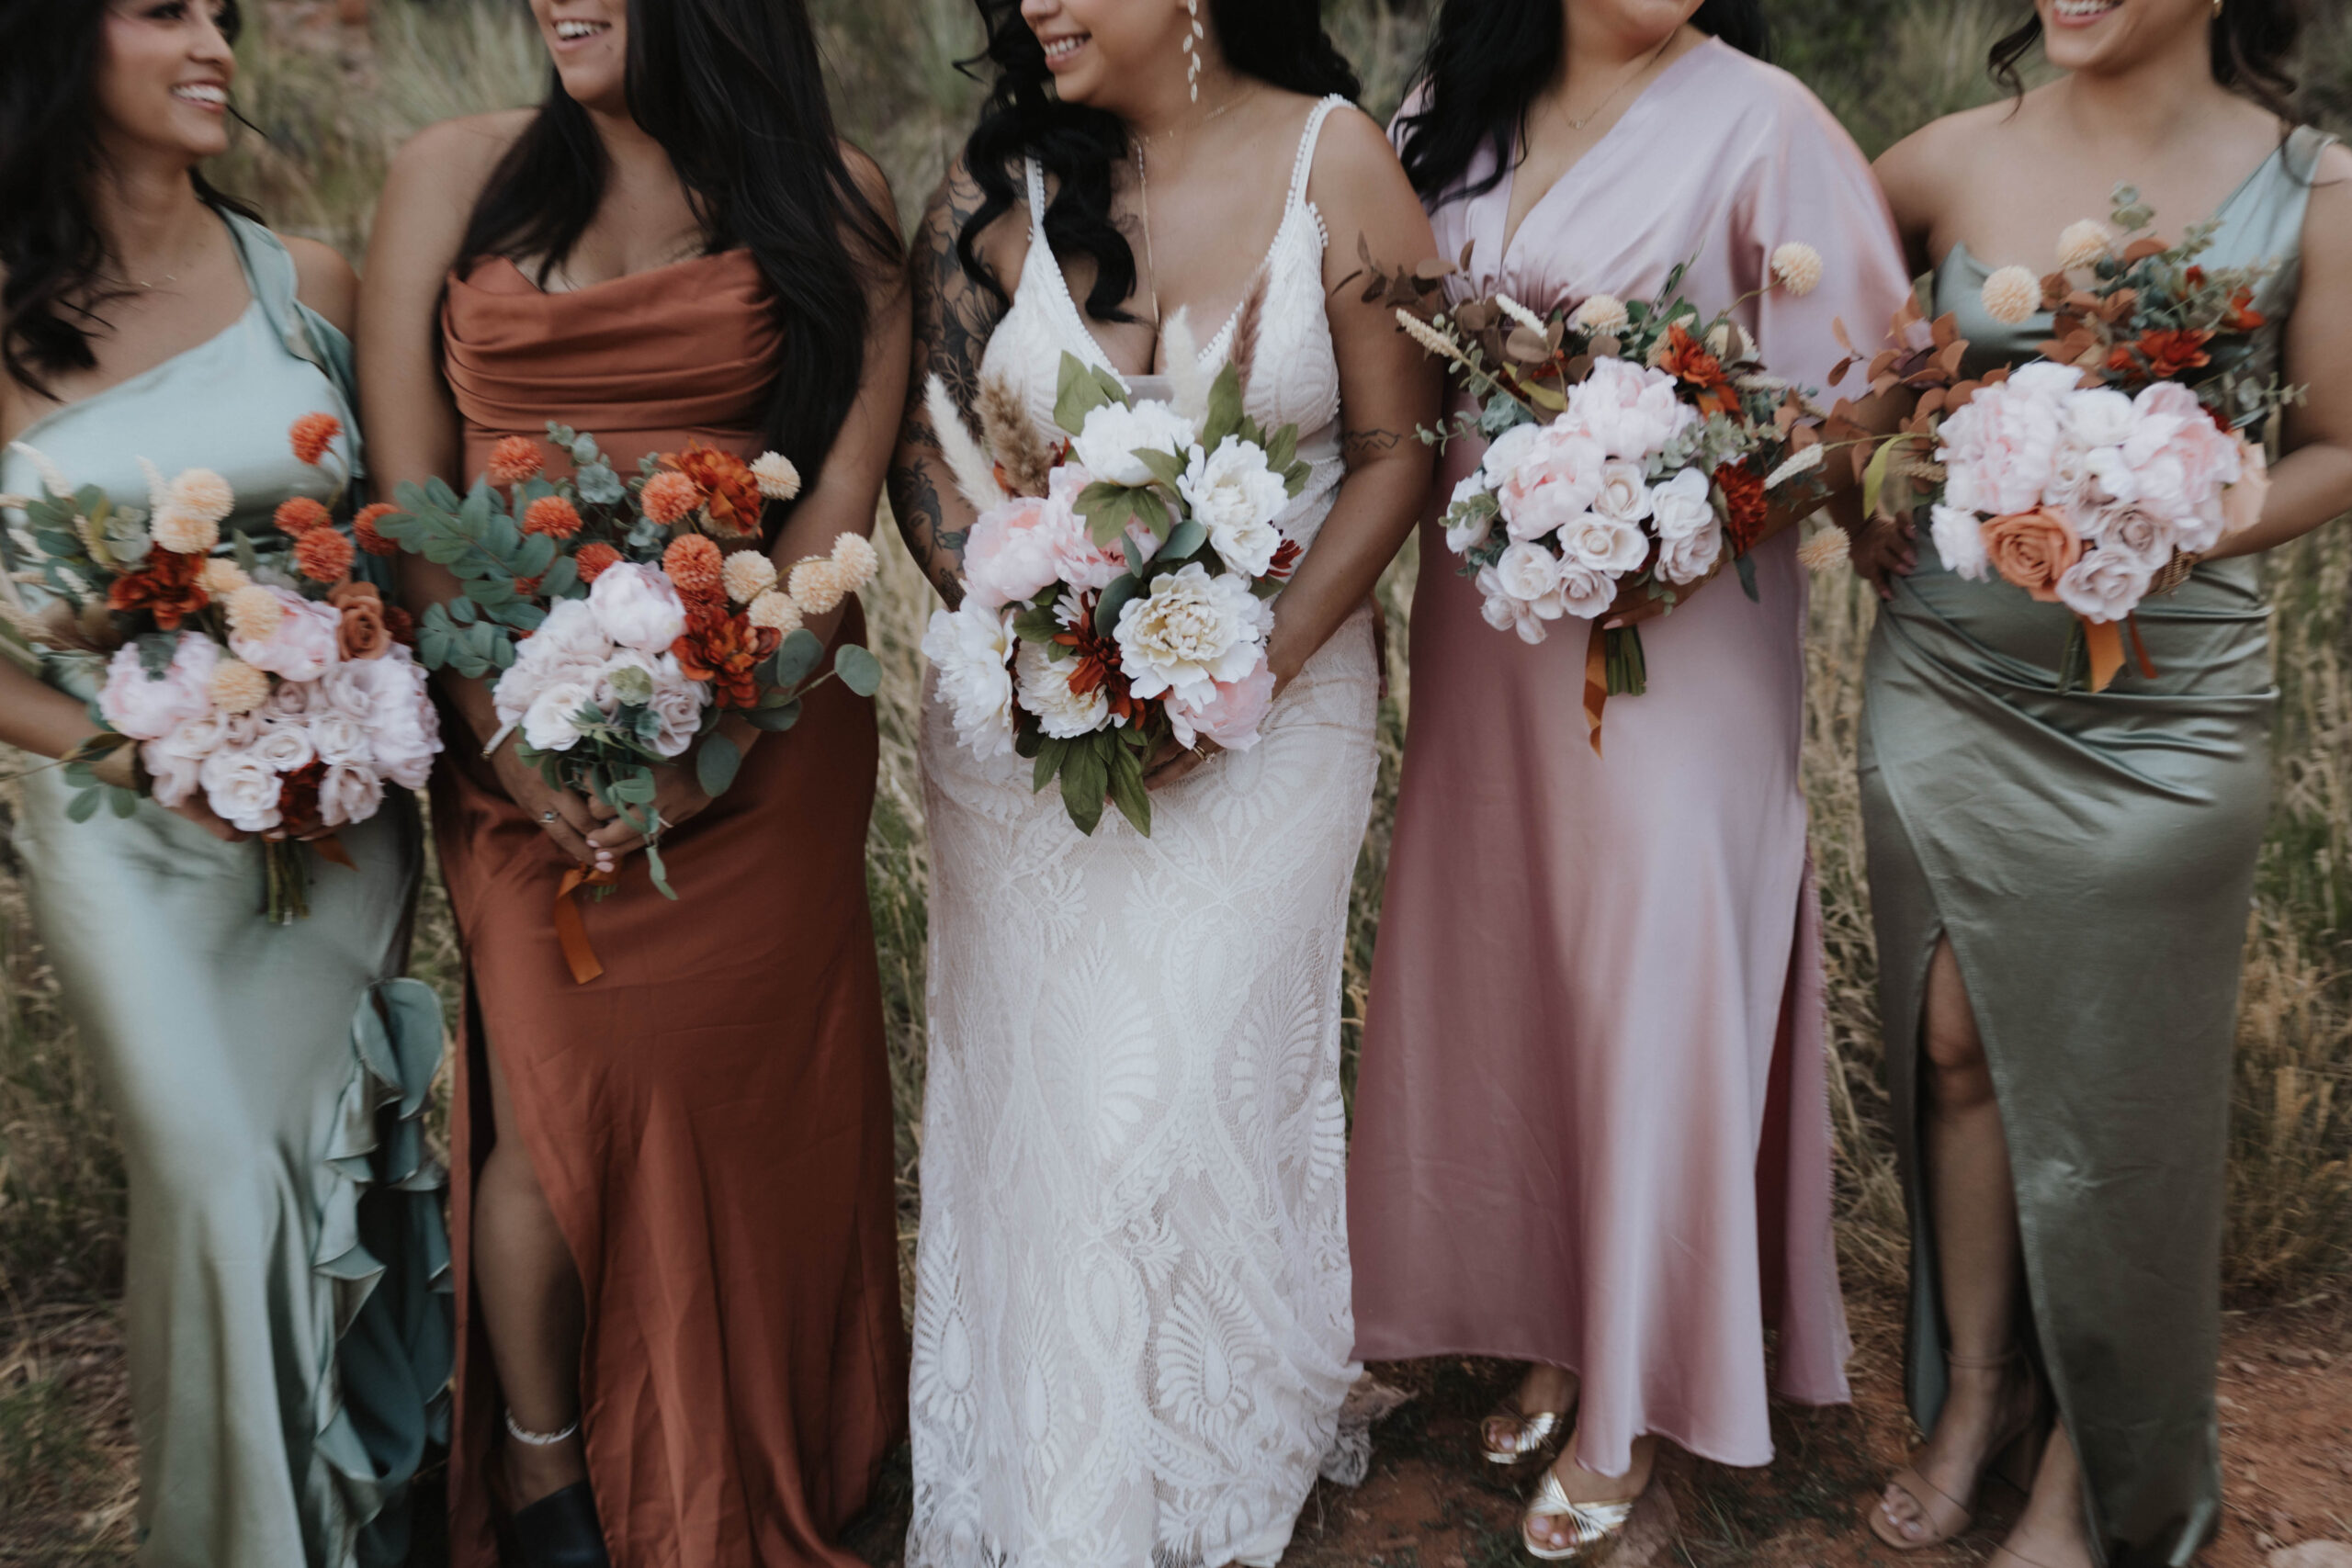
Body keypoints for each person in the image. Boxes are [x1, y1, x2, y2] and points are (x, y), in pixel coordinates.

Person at [1344, 0, 1914, 1557]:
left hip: (1680, 644)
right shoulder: (1442, 119)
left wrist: (1701, 505)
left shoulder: (1765, 121)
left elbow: (1866, 396)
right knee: (1524, 969)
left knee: (1654, 974)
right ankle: (1553, 1325)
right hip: (1492, 634)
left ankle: (1635, 1414)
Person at [356, 0, 910, 1561]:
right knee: (553, 1101)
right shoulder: (452, 179)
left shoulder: (831, 196)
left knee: (735, 1103)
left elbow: (839, 520)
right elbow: (408, 500)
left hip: (761, 736)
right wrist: (503, 737)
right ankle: (543, 1475)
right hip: (506, 733)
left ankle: (750, 1453)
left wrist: (711, 750)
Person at [885, 0, 1437, 1558]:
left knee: (1177, 1097)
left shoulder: (1340, 166)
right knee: (1060, 1118)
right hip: (1030, 736)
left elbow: (1400, 449)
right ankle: (1069, 1496)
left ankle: (1206, 1454)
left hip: (1281, 716)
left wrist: (1241, 666)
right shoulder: (995, 190)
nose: (1033, 7)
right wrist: (1035, 628)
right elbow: (928, 455)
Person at [1850, 2, 2351, 1563]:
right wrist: (1868, 474)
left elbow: (2339, 444)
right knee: (1950, 1038)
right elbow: (1851, 409)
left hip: (2170, 706)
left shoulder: (2311, 184)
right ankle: (1982, 1394)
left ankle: (2094, 1459)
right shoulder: (1935, 163)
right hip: (1950, 674)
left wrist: (2168, 515)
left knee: (2118, 1094)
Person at [0, 2, 449, 1563]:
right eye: (163, 10)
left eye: (222, 18)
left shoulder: (305, 283)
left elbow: (402, 544)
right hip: (126, 832)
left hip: (331, 824)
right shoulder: (4, 315)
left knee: (313, 1171)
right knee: (212, 1179)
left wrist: (350, 682)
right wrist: (139, 751)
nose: (214, 43)